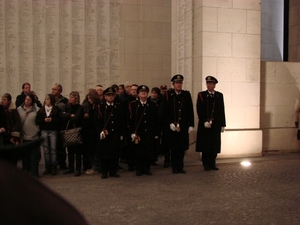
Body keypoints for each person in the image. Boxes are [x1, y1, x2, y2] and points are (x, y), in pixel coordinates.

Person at [161, 74, 194, 174]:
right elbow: (164, 111)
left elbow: (190, 110)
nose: (179, 85)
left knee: (182, 147)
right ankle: (174, 166)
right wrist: (169, 123)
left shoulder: (186, 95)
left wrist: (191, 124)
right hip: (172, 127)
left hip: (183, 126)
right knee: (174, 148)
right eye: (177, 83)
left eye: (180, 83)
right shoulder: (168, 95)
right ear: (173, 84)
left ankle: (181, 166)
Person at [195, 76, 226, 171]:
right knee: (206, 146)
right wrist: (204, 121)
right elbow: (199, 109)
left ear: (214, 85)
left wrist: (223, 124)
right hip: (205, 125)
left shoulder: (219, 95)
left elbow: (221, 110)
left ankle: (213, 163)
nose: (209, 85)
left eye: (211, 83)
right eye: (207, 83)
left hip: (215, 125)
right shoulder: (202, 95)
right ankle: (206, 164)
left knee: (214, 145)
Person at [128, 85, 159, 176]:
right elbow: (130, 120)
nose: (143, 93)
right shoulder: (133, 105)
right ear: (138, 94)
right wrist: (132, 132)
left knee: (148, 151)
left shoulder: (152, 105)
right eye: (141, 92)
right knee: (138, 151)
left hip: (149, 132)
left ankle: (147, 168)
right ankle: (139, 169)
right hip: (138, 133)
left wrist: (156, 133)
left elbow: (156, 120)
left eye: (145, 92)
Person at [98, 87, 125, 179]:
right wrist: (100, 131)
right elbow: (97, 121)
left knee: (115, 153)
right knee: (105, 153)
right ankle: (104, 171)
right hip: (105, 134)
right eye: (108, 95)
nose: (110, 97)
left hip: (115, 134)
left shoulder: (118, 106)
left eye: (112, 95)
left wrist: (121, 133)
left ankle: (113, 171)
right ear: (105, 97)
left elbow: (122, 121)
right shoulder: (100, 107)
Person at [36, 94, 61, 175]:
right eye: (45, 99)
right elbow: (37, 121)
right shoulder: (41, 110)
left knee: (53, 150)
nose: (46, 101)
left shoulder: (56, 109)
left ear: (52, 100)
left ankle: (53, 167)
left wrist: (51, 120)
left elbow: (59, 120)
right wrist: (44, 120)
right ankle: (47, 167)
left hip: (53, 131)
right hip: (44, 130)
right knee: (46, 150)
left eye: (48, 99)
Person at [17, 92, 41, 177]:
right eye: (26, 99)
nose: (27, 101)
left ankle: (34, 175)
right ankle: (25, 174)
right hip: (24, 136)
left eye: (29, 100)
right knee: (25, 158)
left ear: (32, 101)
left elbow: (39, 122)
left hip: (33, 136)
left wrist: (37, 130)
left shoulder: (37, 110)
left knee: (34, 158)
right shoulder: (19, 109)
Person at [62, 91, 84, 176]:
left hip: (77, 130)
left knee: (78, 151)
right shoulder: (67, 107)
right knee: (70, 151)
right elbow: (62, 116)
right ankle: (71, 168)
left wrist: (68, 116)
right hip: (68, 130)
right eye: (69, 97)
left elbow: (77, 118)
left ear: (76, 98)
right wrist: (70, 115)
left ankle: (78, 169)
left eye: (71, 97)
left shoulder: (79, 108)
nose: (70, 99)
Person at [82, 89, 101, 175]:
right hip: (89, 132)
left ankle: (95, 167)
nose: (89, 99)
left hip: (96, 131)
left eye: (90, 97)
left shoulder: (98, 106)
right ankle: (94, 166)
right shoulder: (89, 106)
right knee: (90, 150)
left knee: (95, 151)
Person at [52, 83, 69, 170]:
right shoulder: (50, 99)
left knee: (61, 146)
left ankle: (62, 163)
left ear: (59, 91)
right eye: (52, 89)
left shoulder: (64, 101)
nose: (52, 91)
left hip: (61, 126)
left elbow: (65, 114)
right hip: (52, 126)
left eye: (54, 89)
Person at [0, 93, 21, 164]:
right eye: (2, 99)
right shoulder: (1, 110)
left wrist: (14, 136)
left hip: (11, 136)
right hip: (3, 136)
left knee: (12, 155)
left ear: (9, 101)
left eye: (4, 100)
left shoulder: (13, 110)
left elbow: (18, 122)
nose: (2, 101)